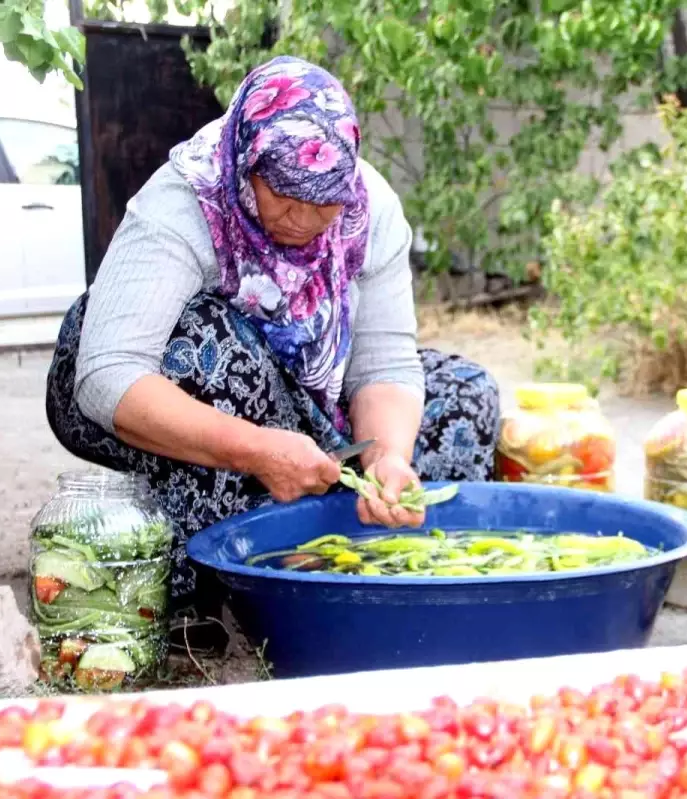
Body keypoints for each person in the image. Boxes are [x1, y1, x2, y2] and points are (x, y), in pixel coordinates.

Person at [45, 56, 501, 650]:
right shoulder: (186, 200)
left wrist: (389, 457)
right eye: (285, 195)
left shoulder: (370, 209)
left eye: (326, 202)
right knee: (217, 350)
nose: (307, 220)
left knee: (468, 396)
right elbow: (108, 375)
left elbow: (385, 362)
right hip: (137, 389)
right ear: (246, 163)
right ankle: (195, 588)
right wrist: (259, 450)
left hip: (299, 398)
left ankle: (374, 576)